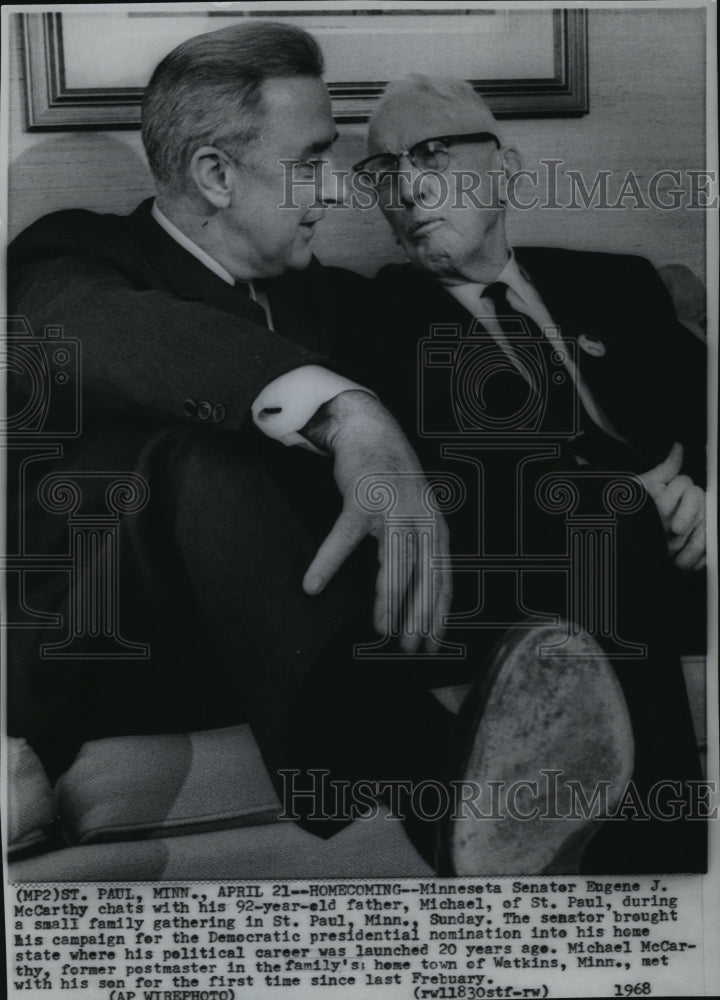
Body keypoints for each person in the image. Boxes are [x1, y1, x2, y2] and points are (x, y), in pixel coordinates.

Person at [4, 24, 671, 875]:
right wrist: (348, 415)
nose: (337, 192)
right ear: (215, 174)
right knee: (205, 460)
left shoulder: (332, 299)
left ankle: (660, 871)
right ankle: (446, 798)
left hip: (327, 618)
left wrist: (651, 475)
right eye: (312, 161)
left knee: (606, 521)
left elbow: (497, 412)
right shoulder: (77, 257)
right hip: (131, 645)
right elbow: (84, 326)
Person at [346, 74, 708, 870]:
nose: (406, 187)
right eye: (382, 172)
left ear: (506, 168)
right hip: (535, 576)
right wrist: (630, 499)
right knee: (606, 519)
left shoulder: (618, 285)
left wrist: (710, 497)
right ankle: (663, 882)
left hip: (684, 557)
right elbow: (465, 480)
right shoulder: (374, 319)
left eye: (433, 153)